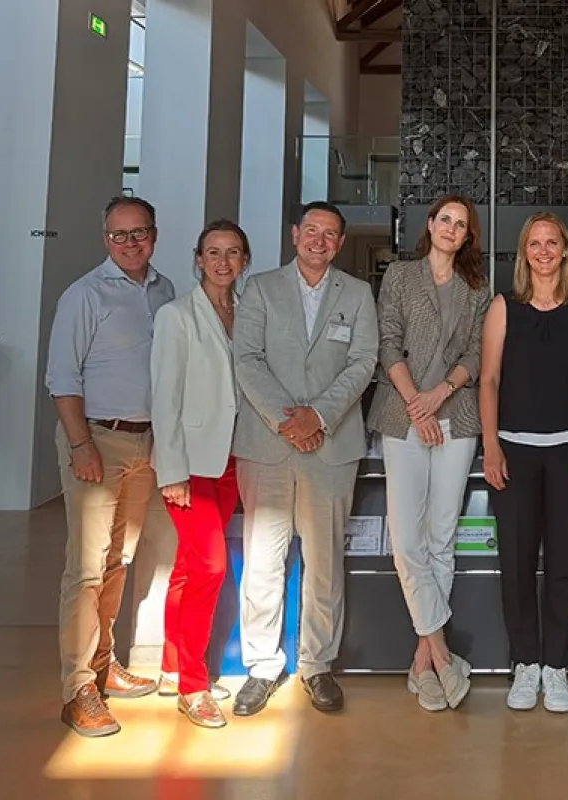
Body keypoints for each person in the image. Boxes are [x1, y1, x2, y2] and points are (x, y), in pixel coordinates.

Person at [231, 200, 378, 716]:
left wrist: (317, 417)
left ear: (339, 243)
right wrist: (285, 421)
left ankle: (317, 664)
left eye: (330, 234)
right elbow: (245, 358)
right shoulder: (261, 288)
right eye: (311, 230)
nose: (319, 240)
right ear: (295, 235)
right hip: (267, 447)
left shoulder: (357, 294)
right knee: (264, 562)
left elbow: (364, 361)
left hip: (331, 446)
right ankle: (262, 666)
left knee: (323, 563)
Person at [45, 195, 175, 737]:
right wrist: (81, 446)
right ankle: (78, 689)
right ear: (106, 239)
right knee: (87, 569)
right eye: (119, 235)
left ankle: (104, 666)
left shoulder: (165, 291)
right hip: (97, 439)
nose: (130, 243)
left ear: (154, 234)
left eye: (139, 233)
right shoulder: (84, 294)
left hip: (146, 446)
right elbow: (62, 376)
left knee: (120, 562)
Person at [366, 195, 491, 711]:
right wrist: (417, 405)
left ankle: (422, 658)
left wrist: (438, 397)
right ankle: (440, 650)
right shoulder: (399, 275)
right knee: (406, 538)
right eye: (445, 219)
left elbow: (478, 352)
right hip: (402, 414)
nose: (451, 229)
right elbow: (387, 342)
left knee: (442, 536)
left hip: (457, 415)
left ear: (467, 237)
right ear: (431, 225)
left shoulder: (478, 288)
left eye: (461, 225)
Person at [479, 212, 568, 714]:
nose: (544, 250)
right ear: (524, 251)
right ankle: (524, 664)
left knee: (563, 562)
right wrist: (491, 444)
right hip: (513, 448)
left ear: (565, 250)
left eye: (552, 242)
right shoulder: (503, 307)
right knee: (514, 562)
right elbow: (488, 381)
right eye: (535, 242)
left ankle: (556, 666)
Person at [150, 220, 250, 728]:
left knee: (191, 564)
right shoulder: (176, 316)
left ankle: (171, 662)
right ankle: (193, 684)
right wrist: (170, 469)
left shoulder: (246, 313)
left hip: (231, 459)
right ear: (198, 259)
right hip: (187, 462)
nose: (223, 262)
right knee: (211, 565)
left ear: (244, 260)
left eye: (233, 252)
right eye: (214, 252)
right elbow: (164, 398)